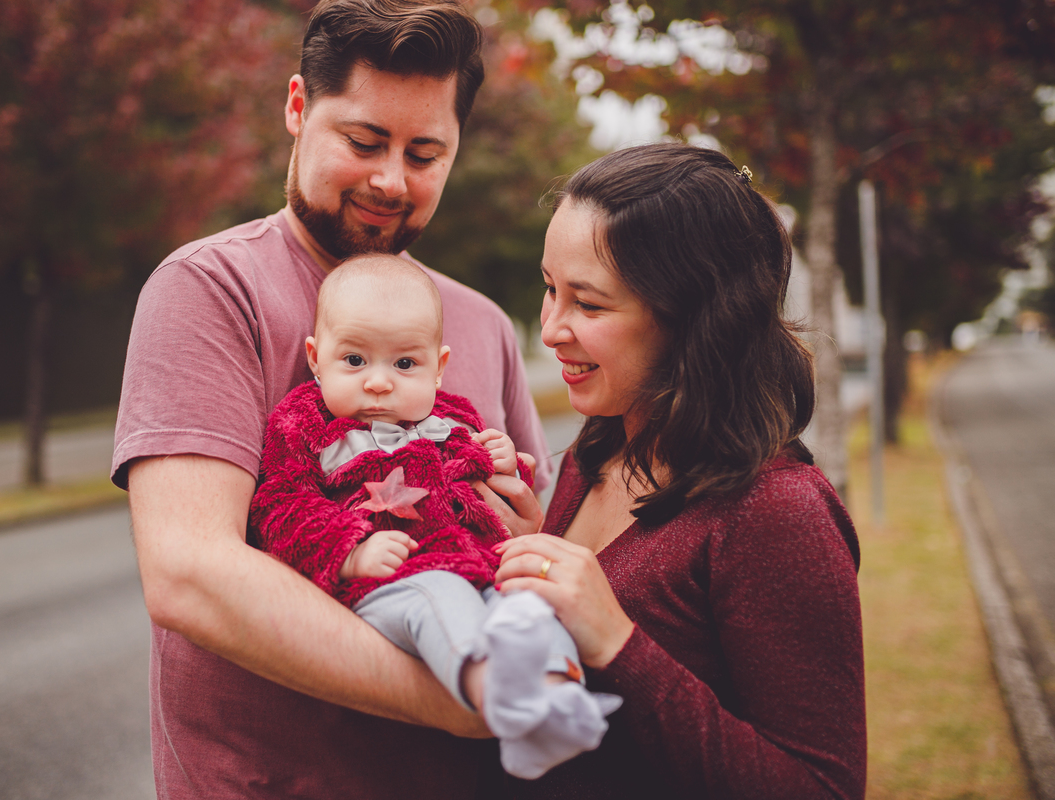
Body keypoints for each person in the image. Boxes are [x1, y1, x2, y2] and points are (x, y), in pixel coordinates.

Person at [111, 1, 549, 797]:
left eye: (425, 153)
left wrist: (524, 535)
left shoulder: (482, 325)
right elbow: (189, 572)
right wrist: (471, 698)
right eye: (364, 142)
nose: (391, 180)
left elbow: (541, 542)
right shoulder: (209, 289)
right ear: (297, 107)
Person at [491, 143, 866, 798]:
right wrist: (525, 553)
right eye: (550, 289)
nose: (550, 329)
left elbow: (822, 788)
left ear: (691, 318)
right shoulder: (596, 450)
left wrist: (619, 646)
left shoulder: (777, 513)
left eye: (589, 304)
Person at [250, 255, 620, 780]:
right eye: (354, 360)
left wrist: (502, 460)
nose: (379, 383)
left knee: (530, 601)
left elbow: (482, 488)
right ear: (316, 357)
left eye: (405, 364)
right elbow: (280, 504)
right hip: (392, 582)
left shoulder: (451, 417)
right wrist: (350, 550)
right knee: (440, 600)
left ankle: (560, 698)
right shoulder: (305, 422)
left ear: (438, 367)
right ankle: (503, 705)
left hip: (477, 568)